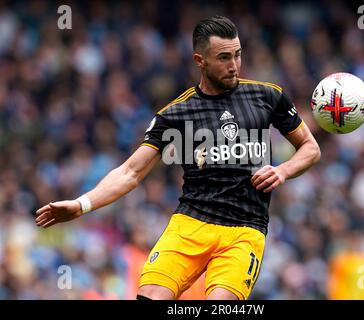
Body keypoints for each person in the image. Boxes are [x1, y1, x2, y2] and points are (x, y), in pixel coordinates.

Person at [35, 16, 321, 300]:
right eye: (223, 57)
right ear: (200, 60)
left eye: (237, 55)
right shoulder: (175, 114)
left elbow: (310, 148)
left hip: (244, 231)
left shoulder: (267, 97)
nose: (234, 65)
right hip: (190, 225)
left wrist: (284, 170)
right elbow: (130, 172)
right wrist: (81, 204)